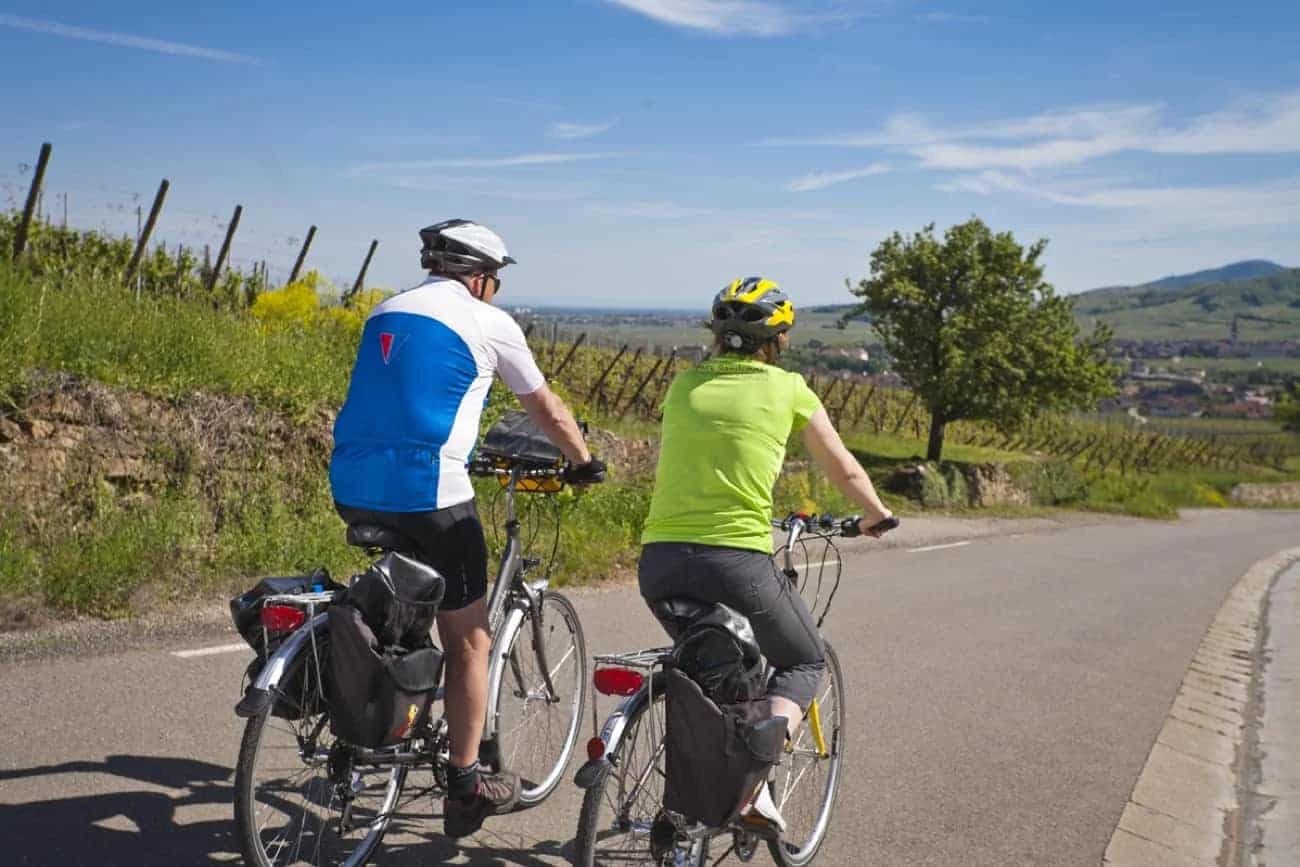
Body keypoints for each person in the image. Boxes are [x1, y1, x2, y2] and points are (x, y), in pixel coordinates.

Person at [329, 218, 605, 838]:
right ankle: (464, 781)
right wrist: (583, 462)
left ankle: (382, 702)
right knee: (470, 639)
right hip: (429, 488)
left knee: (404, 603)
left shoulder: (385, 310)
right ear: (481, 276)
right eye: (496, 279)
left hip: (351, 483)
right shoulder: (489, 322)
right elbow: (546, 409)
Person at [638, 276, 895, 829]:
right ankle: (753, 790)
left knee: (712, 670)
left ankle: (692, 802)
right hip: (735, 562)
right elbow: (843, 466)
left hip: (658, 561)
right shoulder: (788, 389)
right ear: (775, 340)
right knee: (803, 658)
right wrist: (876, 513)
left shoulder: (683, 386)